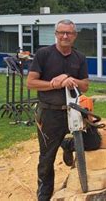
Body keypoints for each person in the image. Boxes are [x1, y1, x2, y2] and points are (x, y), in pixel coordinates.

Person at [27, 19, 90, 200]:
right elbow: (31, 83)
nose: (65, 36)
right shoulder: (44, 54)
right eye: (61, 32)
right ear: (56, 34)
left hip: (74, 111)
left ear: (74, 36)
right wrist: (56, 83)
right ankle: (44, 195)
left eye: (69, 33)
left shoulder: (80, 57)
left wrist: (69, 78)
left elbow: (85, 86)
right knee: (47, 158)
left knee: (92, 141)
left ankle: (67, 143)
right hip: (49, 113)